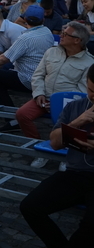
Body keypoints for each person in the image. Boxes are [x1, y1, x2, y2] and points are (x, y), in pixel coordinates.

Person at [19, 67, 94, 248]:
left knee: (91, 226)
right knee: (30, 207)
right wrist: (78, 122)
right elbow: (54, 143)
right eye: (91, 90)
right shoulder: (75, 107)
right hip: (75, 173)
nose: (93, 96)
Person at [17, 22, 93, 167]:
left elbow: (83, 91)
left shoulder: (89, 63)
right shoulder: (51, 52)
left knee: (71, 123)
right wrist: (39, 93)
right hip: (44, 98)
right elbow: (38, 75)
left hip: (68, 103)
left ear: (77, 40)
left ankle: (66, 150)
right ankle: (41, 146)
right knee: (22, 114)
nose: (60, 36)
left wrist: (58, 102)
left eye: (65, 34)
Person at [0, 5, 55, 110]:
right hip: (41, 77)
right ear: (43, 20)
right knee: (2, 70)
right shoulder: (47, 32)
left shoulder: (25, 38)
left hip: (27, 79)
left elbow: (5, 58)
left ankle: (8, 114)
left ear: (25, 19)